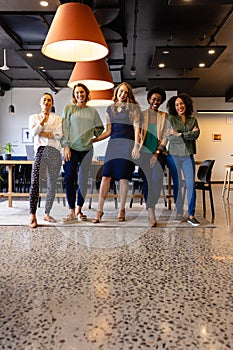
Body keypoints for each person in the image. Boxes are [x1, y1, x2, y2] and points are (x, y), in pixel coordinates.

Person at [92, 82, 141, 223]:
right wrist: (94, 140)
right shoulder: (110, 109)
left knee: (123, 178)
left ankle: (121, 209)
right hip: (113, 145)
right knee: (105, 176)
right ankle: (99, 210)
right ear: (117, 92)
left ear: (128, 95)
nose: (122, 94)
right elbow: (108, 131)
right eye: (121, 91)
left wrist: (136, 146)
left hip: (127, 145)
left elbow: (137, 128)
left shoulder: (133, 109)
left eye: (125, 92)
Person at [61, 83, 104, 223]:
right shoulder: (69, 109)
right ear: (74, 95)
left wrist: (92, 137)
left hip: (87, 149)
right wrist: (66, 146)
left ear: (86, 94)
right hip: (71, 149)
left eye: (82, 92)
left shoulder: (92, 111)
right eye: (77, 92)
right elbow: (64, 128)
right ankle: (72, 211)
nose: (79, 95)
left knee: (83, 180)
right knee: (69, 178)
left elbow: (100, 127)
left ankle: (79, 209)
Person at [28, 92, 63, 228]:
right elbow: (33, 133)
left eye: (49, 100)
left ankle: (47, 213)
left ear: (52, 103)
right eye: (44, 100)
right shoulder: (34, 117)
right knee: (35, 181)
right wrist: (42, 122)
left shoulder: (58, 119)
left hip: (55, 152)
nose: (46, 102)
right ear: (40, 102)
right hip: (41, 151)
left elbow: (60, 135)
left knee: (52, 184)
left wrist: (42, 132)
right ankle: (32, 215)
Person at [166, 93, 200, 226]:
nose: (179, 106)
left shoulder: (193, 120)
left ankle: (191, 214)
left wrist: (179, 134)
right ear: (174, 107)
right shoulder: (171, 119)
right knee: (178, 184)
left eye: (181, 103)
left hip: (188, 156)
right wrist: (188, 135)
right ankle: (179, 212)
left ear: (186, 104)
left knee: (191, 184)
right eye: (176, 105)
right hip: (173, 156)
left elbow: (196, 135)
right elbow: (170, 138)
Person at [139, 87, 168, 227]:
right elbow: (137, 134)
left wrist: (156, 153)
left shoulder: (164, 116)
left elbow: (164, 137)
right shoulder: (141, 115)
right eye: (153, 99)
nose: (156, 101)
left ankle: (151, 206)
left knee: (157, 181)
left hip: (159, 154)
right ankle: (151, 212)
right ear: (149, 100)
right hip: (143, 154)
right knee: (147, 182)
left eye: (159, 100)